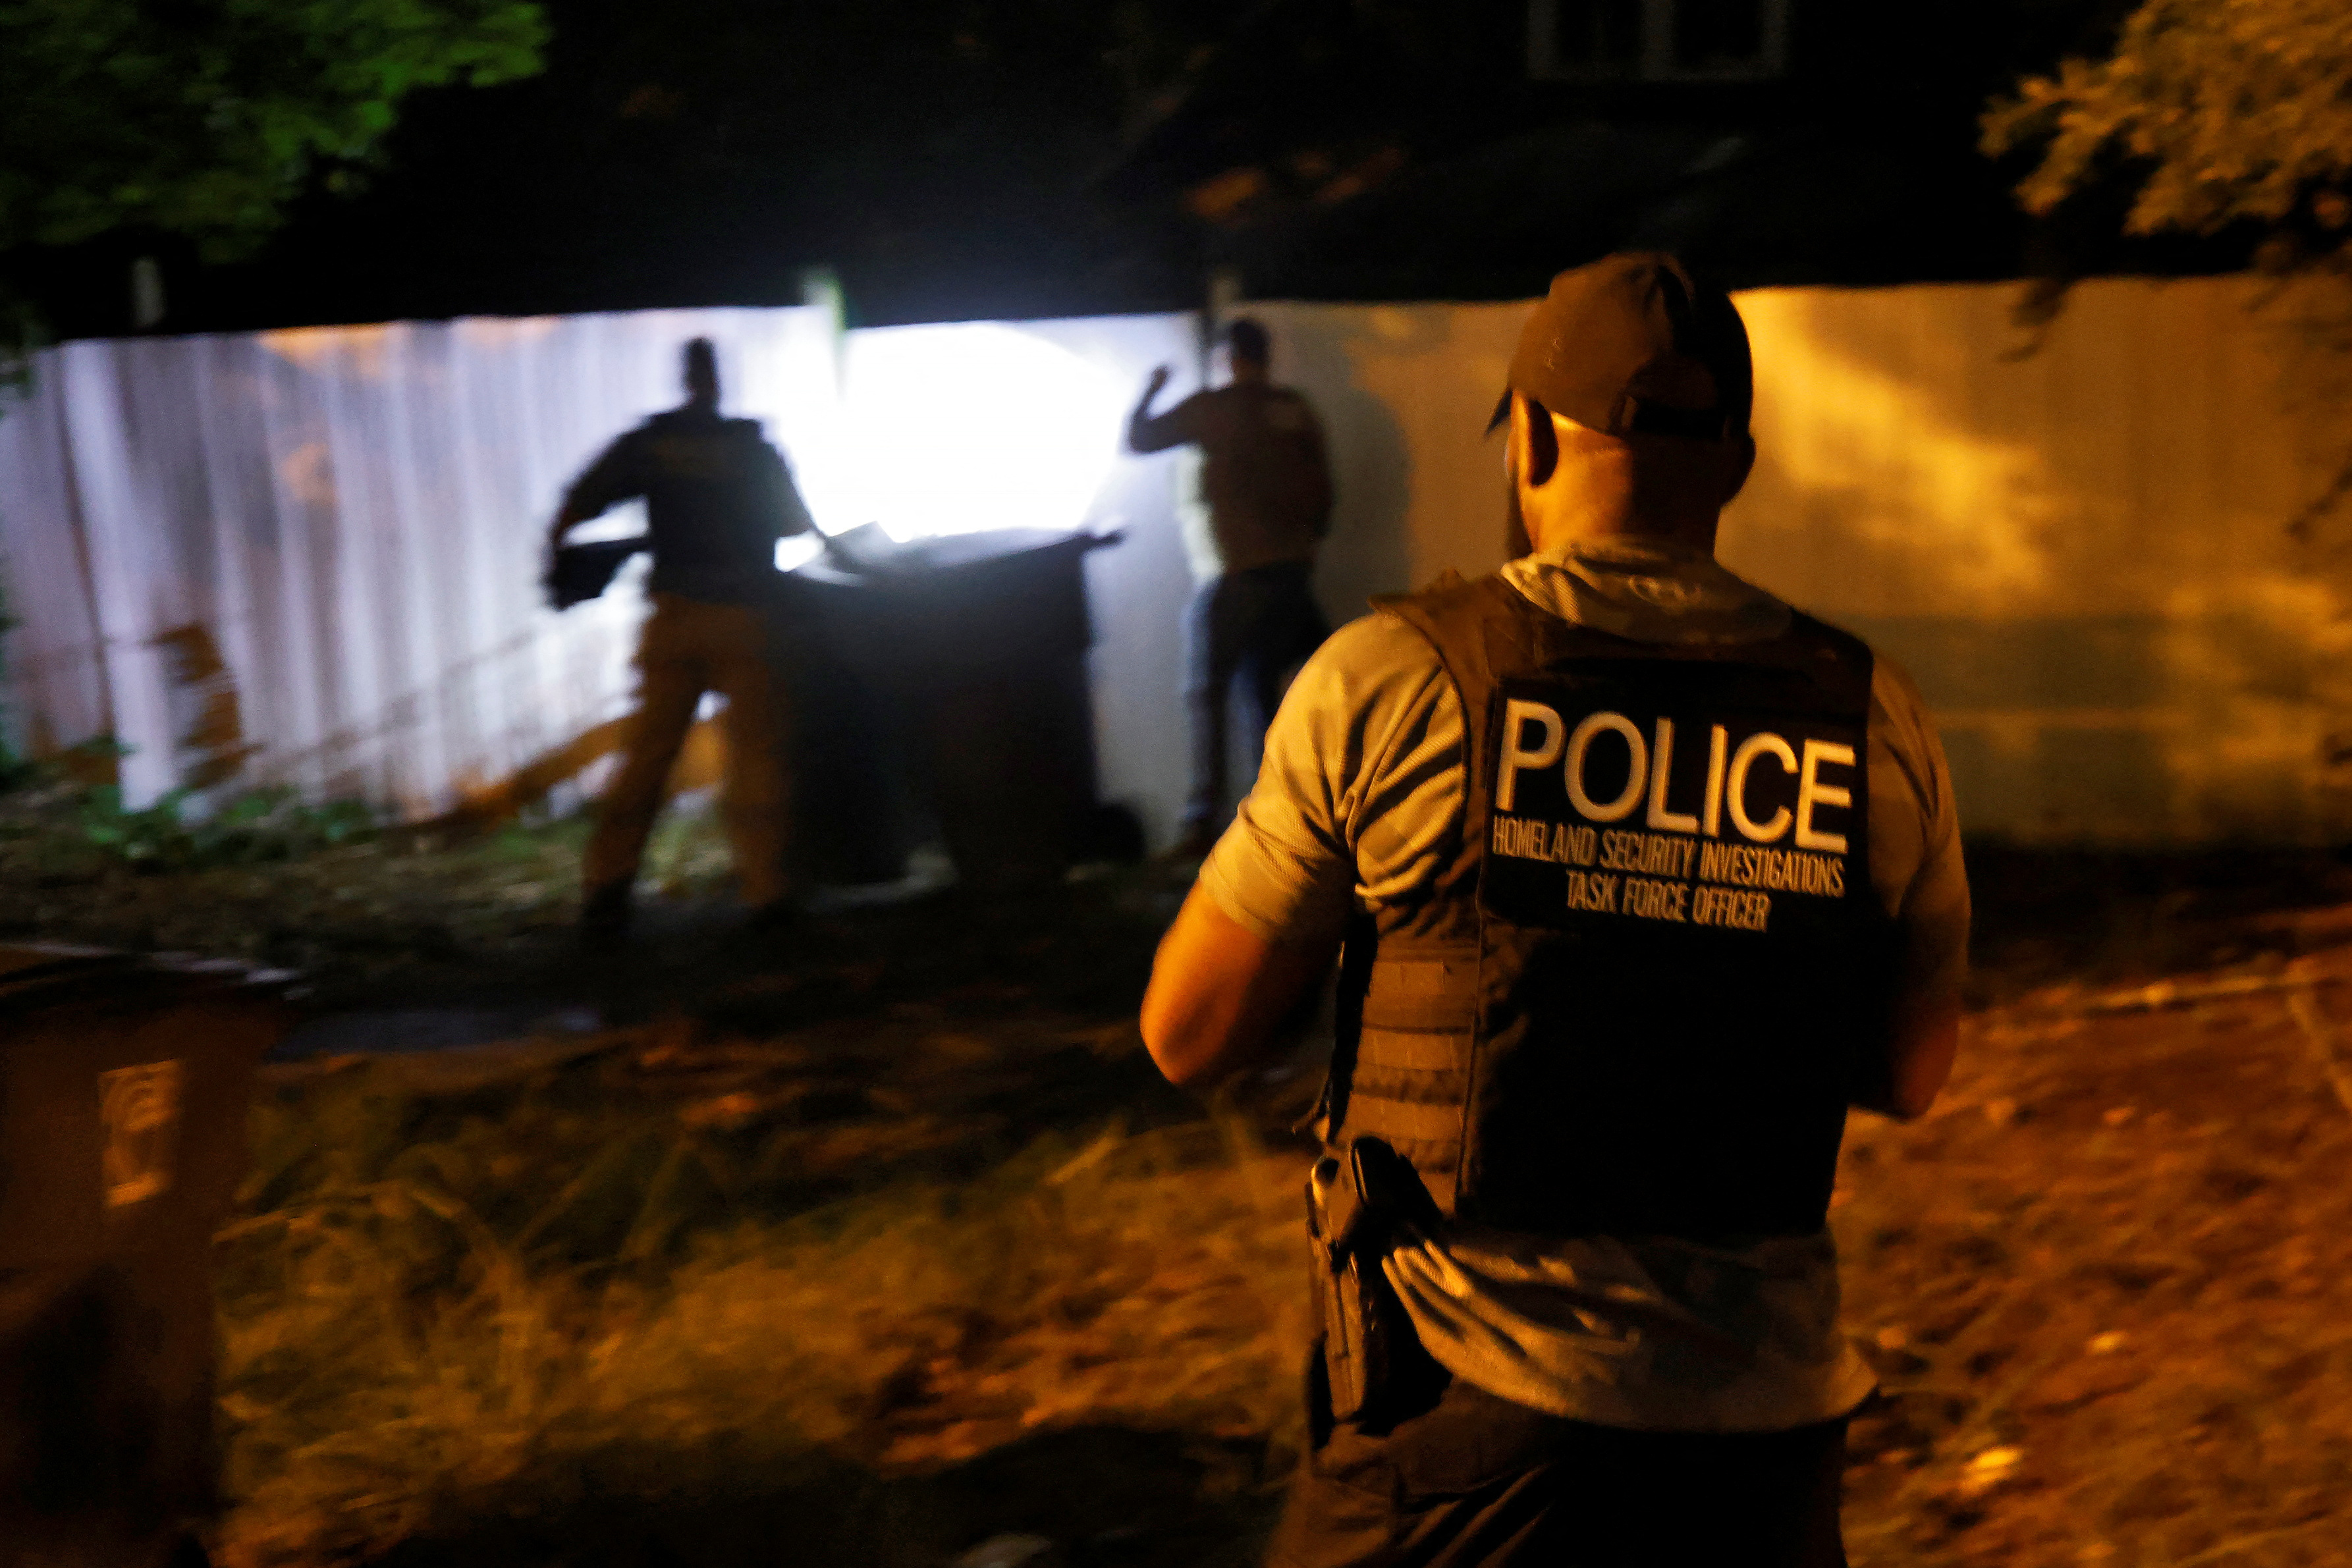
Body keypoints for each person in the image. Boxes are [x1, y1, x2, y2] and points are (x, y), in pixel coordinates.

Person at [1138, 254, 1970, 1567]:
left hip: (1468, 1435)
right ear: (1737, 463)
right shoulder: (1873, 713)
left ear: (1524, 432)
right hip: (1770, 1438)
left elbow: (1189, 1030)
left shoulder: (1394, 678)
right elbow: (1909, 1069)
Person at [549, 337, 815, 940]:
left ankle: (606, 892)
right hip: (746, 617)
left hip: (674, 616)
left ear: (683, 378)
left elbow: (577, 501)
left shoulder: (651, 444)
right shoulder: (750, 447)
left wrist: (559, 561)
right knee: (756, 756)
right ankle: (767, 895)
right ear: (718, 380)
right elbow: (797, 524)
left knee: (647, 756)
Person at [1128, 317, 1336, 859]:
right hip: (1290, 575)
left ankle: (1203, 822)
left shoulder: (1211, 409)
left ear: (1227, 358)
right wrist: (1305, 544)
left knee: (1209, 693)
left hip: (1235, 575)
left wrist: (1149, 390)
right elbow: (1324, 490)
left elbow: (1140, 438)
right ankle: (1282, 823)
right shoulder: (1293, 407)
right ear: (1266, 356)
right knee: (1264, 696)